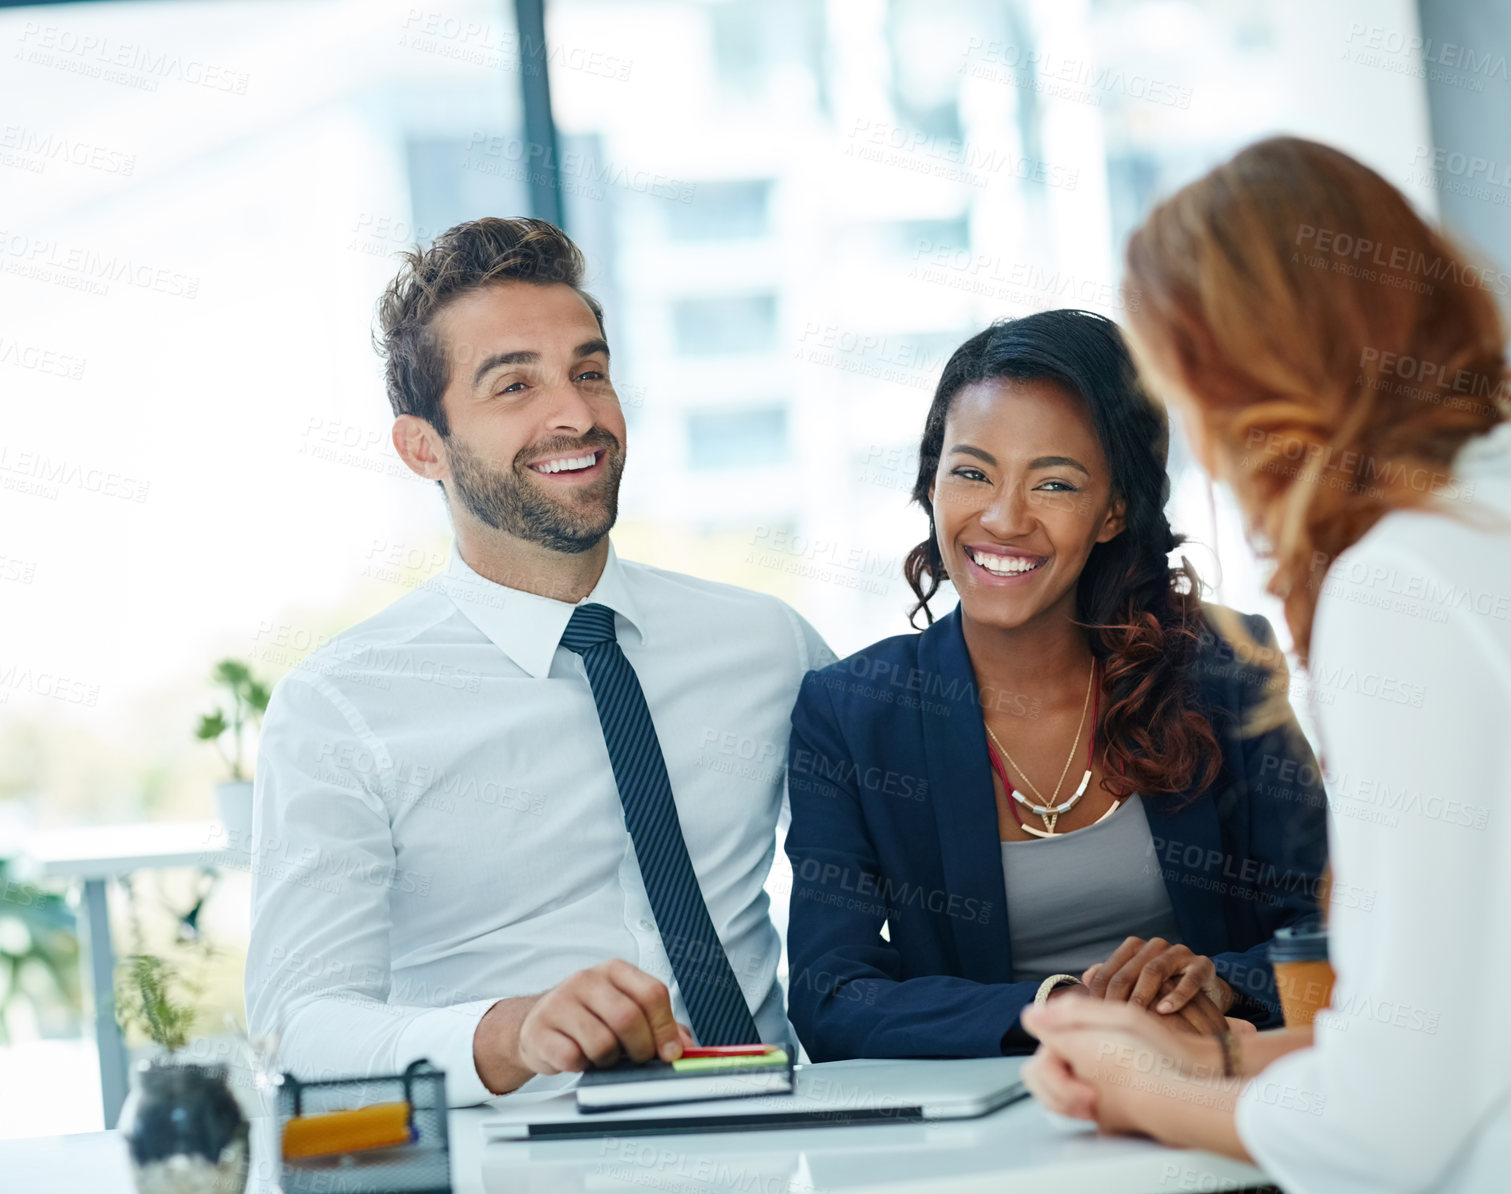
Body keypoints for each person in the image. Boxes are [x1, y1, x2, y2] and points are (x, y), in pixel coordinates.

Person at [1021, 137, 1511, 1193]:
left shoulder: (1409, 579)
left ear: (1220, 374)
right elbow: (1472, 1012)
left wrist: (1140, 1090)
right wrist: (1221, 1057)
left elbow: (1390, 1123)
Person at [245, 217, 831, 1106]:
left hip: (787, 1141)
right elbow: (299, 1027)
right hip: (518, 1157)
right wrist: (505, 1034)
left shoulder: (765, 645)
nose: (576, 413)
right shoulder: (339, 708)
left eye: (588, 371)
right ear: (422, 447)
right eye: (514, 384)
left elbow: (923, 849)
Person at [784, 309, 1329, 1062]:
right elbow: (829, 993)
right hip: (992, 1139)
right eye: (970, 472)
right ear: (931, 484)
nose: (1003, 519)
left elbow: (1330, 929)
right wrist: (1062, 1009)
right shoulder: (850, 712)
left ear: (1112, 512)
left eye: (1054, 483)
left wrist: (1219, 985)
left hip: (1219, 1096)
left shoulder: (1222, 667)